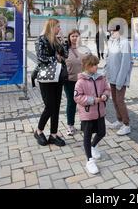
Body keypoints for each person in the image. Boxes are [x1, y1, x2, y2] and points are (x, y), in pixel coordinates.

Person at [74, 54, 111, 175]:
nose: (96, 67)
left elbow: (107, 89)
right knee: (87, 136)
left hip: (100, 112)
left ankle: (93, 146)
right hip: (88, 114)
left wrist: (105, 95)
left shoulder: (101, 78)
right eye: (93, 65)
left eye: (96, 64)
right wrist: (92, 100)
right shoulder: (80, 82)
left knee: (102, 132)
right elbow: (77, 97)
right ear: (86, 66)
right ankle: (89, 160)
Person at [34, 18, 68, 147]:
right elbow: (40, 58)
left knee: (57, 106)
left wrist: (63, 41)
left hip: (58, 76)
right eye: (58, 27)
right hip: (46, 77)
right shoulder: (41, 39)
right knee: (49, 106)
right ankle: (39, 131)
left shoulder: (57, 40)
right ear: (52, 27)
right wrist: (55, 58)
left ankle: (53, 134)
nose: (60, 29)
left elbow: (66, 55)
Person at [105, 25, 133, 135]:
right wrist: (105, 74)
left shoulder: (125, 43)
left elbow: (126, 63)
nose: (111, 33)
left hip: (120, 78)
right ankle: (119, 120)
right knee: (115, 100)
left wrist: (120, 80)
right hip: (112, 76)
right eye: (110, 31)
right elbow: (108, 59)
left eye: (112, 31)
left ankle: (126, 125)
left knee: (120, 101)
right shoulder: (111, 42)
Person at [64, 29, 89, 136]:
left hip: (82, 80)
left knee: (83, 102)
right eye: (72, 36)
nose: (74, 38)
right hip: (69, 81)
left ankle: (85, 123)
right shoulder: (65, 49)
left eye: (76, 36)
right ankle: (70, 125)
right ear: (69, 37)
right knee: (71, 102)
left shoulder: (83, 49)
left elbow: (90, 61)